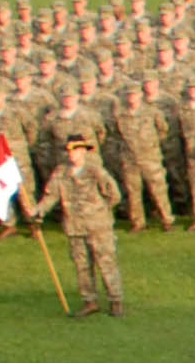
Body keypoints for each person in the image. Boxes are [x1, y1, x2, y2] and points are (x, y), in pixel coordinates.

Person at [26, 136, 127, 318]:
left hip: (97, 226)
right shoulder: (61, 172)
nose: (71, 154)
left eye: (75, 150)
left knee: (106, 263)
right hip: (74, 227)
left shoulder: (94, 171)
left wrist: (100, 211)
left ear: (83, 151)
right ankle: (89, 301)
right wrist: (38, 211)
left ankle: (115, 300)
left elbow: (114, 194)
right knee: (81, 266)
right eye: (69, 150)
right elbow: (51, 196)